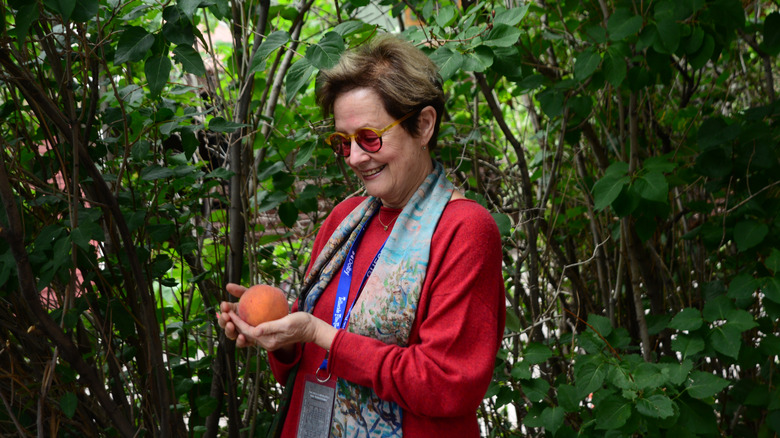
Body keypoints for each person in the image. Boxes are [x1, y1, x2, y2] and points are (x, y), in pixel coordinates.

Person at [217, 34, 505, 438]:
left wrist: (321, 334)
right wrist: (279, 334)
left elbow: (444, 384)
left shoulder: (464, 230)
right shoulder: (344, 219)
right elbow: (309, 363)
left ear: (423, 125)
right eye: (343, 142)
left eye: (370, 137)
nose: (354, 157)